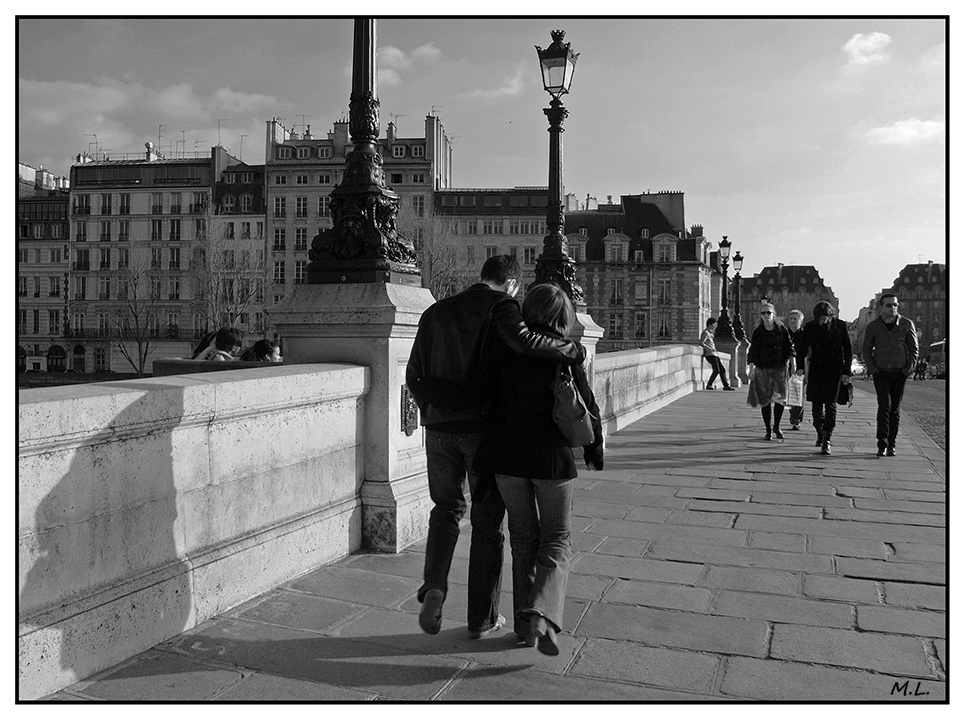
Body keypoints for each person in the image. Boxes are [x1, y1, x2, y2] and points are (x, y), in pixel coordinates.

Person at [405, 255, 584, 640]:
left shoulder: (435, 311)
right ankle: (482, 619)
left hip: (436, 430)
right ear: (514, 285)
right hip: (479, 432)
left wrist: (436, 408)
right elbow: (522, 348)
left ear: (481, 276)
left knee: (446, 509)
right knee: (488, 526)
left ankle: (434, 585)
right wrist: (572, 351)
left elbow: (413, 376)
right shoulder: (503, 310)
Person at [472, 284, 604, 655]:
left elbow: (483, 394)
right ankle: (542, 613)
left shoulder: (503, 348)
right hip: (551, 459)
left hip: (507, 459)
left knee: (524, 540)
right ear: (563, 317)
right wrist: (595, 449)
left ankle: (523, 626)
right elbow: (586, 406)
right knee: (557, 539)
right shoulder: (564, 354)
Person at [862, 293, 918, 457]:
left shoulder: (906, 324)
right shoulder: (874, 326)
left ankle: (892, 444)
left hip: (899, 372)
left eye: (895, 305)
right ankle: (882, 443)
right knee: (884, 406)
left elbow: (913, 349)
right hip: (881, 372)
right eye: (889, 305)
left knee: (895, 409)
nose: (892, 308)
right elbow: (866, 349)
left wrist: (909, 368)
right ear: (881, 307)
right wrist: (873, 369)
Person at [796, 301, 853, 455]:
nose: (821, 321)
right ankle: (820, 431)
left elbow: (847, 349)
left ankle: (827, 437)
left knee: (831, 405)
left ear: (830, 316)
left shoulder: (840, 326)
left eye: (824, 318)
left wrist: (846, 371)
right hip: (816, 369)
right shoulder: (810, 326)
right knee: (816, 408)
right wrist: (800, 366)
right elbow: (801, 348)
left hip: (834, 370)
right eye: (819, 319)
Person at [746, 302, 795, 441]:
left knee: (779, 400)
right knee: (765, 401)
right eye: (763, 313)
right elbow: (753, 351)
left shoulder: (781, 329)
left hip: (779, 368)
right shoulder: (758, 332)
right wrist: (750, 369)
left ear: (774, 314)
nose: (766, 315)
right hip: (763, 369)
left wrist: (793, 363)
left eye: (769, 313)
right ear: (760, 316)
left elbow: (789, 347)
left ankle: (777, 426)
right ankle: (768, 430)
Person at [699, 318, 735, 391]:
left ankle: (725, 385)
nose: (714, 326)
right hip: (710, 354)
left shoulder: (710, 334)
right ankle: (709, 384)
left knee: (722, 369)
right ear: (710, 324)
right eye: (713, 325)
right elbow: (701, 342)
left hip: (714, 354)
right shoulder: (705, 332)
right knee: (717, 370)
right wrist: (709, 349)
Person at [786, 310, 806, 430]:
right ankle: (793, 415)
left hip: (799, 369)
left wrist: (802, 368)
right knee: (789, 395)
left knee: (799, 395)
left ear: (801, 321)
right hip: (785, 368)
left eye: (795, 319)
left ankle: (796, 419)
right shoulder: (784, 334)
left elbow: (807, 354)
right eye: (791, 319)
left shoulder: (804, 336)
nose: (793, 321)